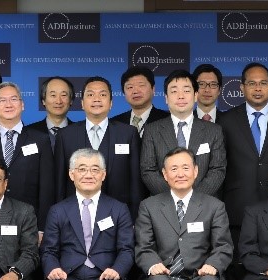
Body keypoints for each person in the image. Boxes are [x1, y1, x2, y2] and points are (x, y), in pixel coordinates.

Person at [136, 147, 233, 280]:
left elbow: (223, 246)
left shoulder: (214, 206)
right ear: (165, 174)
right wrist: (152, 264)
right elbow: (143, 246)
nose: (180, 174)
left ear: (195, 171)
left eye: (185, 168)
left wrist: (212, 265)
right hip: (164, 275)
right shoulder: (149, 206)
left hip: (199, 276)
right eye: (174, 169)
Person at [40, 149, 134, 280]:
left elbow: (127, 249)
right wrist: (53, 268)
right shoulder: (58, 210)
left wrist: (117, 270)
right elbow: (48, 250)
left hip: (104, 276)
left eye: (95, 170)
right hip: (68, 276)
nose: (88, 175)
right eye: (82, 169)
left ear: (103, 175)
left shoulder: (119, 209)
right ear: (71, 174)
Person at [0, 82, 56, 229]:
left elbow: (47, 188)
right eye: (2, 100)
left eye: (13, 99)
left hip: (28, 221)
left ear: (22, 104)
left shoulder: (40, 140)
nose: (8, 104)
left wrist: (42, 228)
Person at [219, 63, 268, 240]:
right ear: (242, 88)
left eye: (263, 83)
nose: (257, 88)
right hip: (237, 209)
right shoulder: (226, 121)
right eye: (252, 83)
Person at [54, 77, 141, 215]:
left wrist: (134, 217)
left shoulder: (128, 133)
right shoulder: (65, 136)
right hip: (76, 214)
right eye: (90, 94)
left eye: (102, 94)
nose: (96, 99)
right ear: (82, 103)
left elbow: (135, 181)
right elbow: (59, 182)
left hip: (118, 214)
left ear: (111, 103)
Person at [140, 69, 227, 197]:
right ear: (166, 98)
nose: (181, 96)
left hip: (203, 206)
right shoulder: (152, 130)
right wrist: (174, 198)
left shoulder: (213, 130)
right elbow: (148, 170)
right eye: (174, 91)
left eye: (186, 91)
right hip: (164, 206)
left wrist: (193, 200)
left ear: (196, 95)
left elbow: (217, 170)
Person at [112, 66, 171, 133]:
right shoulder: (114, 124)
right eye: (130, 87)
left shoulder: (168, 120)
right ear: (123, 92)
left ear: (153, 89)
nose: (135, 91)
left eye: (141, 85)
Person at [26, 76, 74, 149]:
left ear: (71, 100)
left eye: (63, 95)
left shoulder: (80, 133)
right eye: (53, 95)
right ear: (43, 101)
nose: (58, 101)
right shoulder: (28, 133)